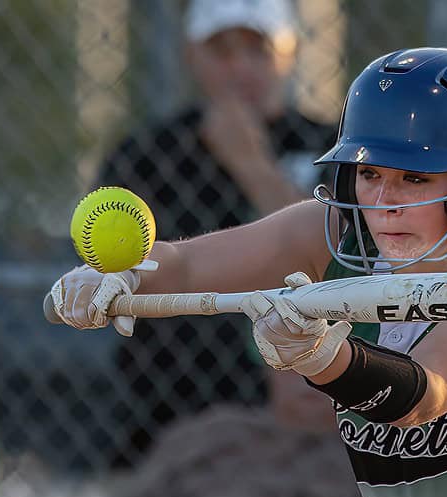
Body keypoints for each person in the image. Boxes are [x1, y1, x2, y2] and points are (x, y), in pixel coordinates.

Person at [51, 47, 447, 497]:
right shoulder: (337, 235)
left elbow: (421, 395)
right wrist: (123, 276)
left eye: (415, 178)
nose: (384, 201)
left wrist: (320, 356)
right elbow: (190, 263)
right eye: (369, 173)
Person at [98, 0, 337, 465]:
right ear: (192, 55)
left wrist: (250, 164)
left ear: (289, 53)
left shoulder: (332, 146)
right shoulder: (150, 154)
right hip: (169, 407)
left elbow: (334, 251)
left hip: (305, 407)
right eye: (222, 52)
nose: (240, 68)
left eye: (258, 50)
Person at [86, 372, 375, 497]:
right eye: (295, 359)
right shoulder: (209, 432)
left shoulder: (371, 451)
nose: (308, 376)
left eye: (323, 360)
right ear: (266, 362)